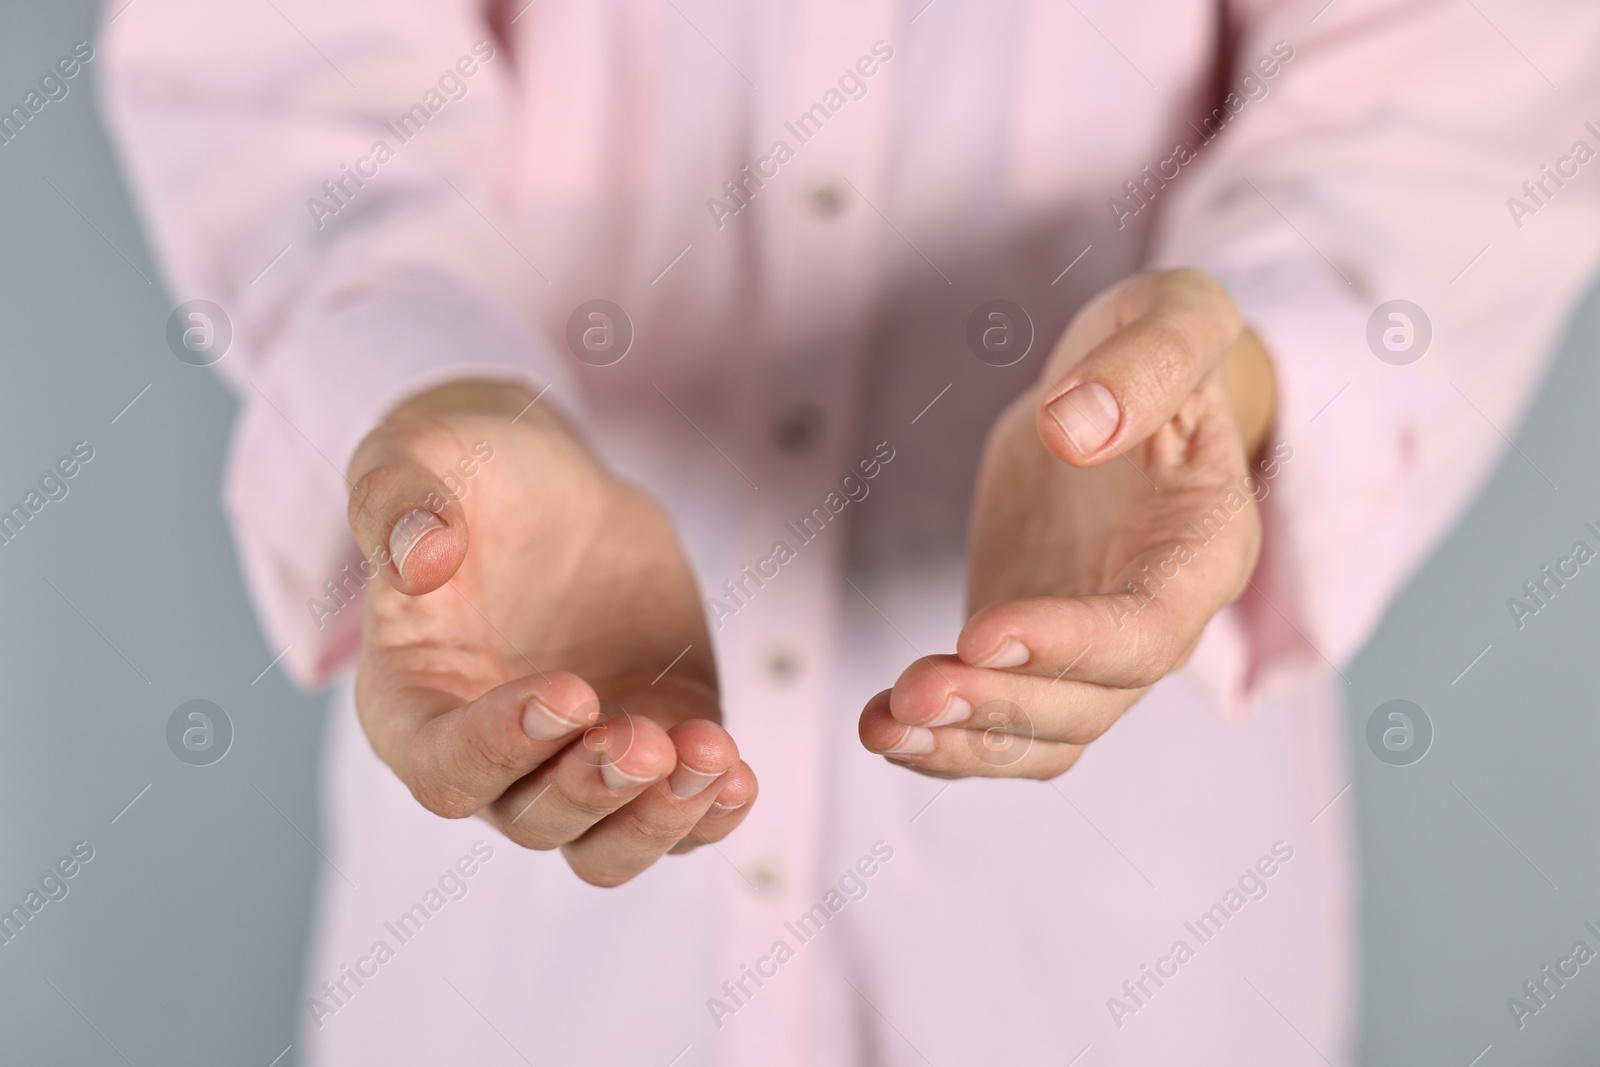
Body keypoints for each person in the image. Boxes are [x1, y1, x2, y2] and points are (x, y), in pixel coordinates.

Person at [101, 0, 1600, 1063]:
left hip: (1115, 942)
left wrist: (1237, 372)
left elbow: (1453, 85)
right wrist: (432, 380)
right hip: (517, 926)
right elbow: (283, 61)